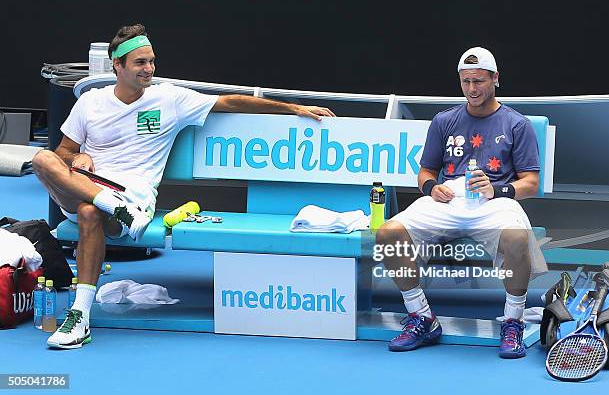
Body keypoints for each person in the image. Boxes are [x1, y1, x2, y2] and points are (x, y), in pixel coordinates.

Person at [32, 24, 335, 349]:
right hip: (95, 190)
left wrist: (294, 109)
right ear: (117, 65)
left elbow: (230, 103)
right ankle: (110, 204)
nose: (149, 69)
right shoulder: (91, 102)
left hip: (132, 195)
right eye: (140, 63)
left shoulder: (170, 99)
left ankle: (80, 316)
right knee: (42, 160)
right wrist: (81, 157)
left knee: (88, 211)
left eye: (151, 61)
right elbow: (64, 151)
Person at [376, 47, 547, 358]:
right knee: (388, 233)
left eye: (479, 81)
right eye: (466, 81)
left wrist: (499, 190)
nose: (472, 89)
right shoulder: (444, 121)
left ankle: (513, 321)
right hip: (450, 198)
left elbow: (531, 183)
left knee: (517, 237)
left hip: (494, 198)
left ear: (495, 79)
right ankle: (421, 316)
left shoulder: (516, 124)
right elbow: (425, 171)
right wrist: (431, 187)